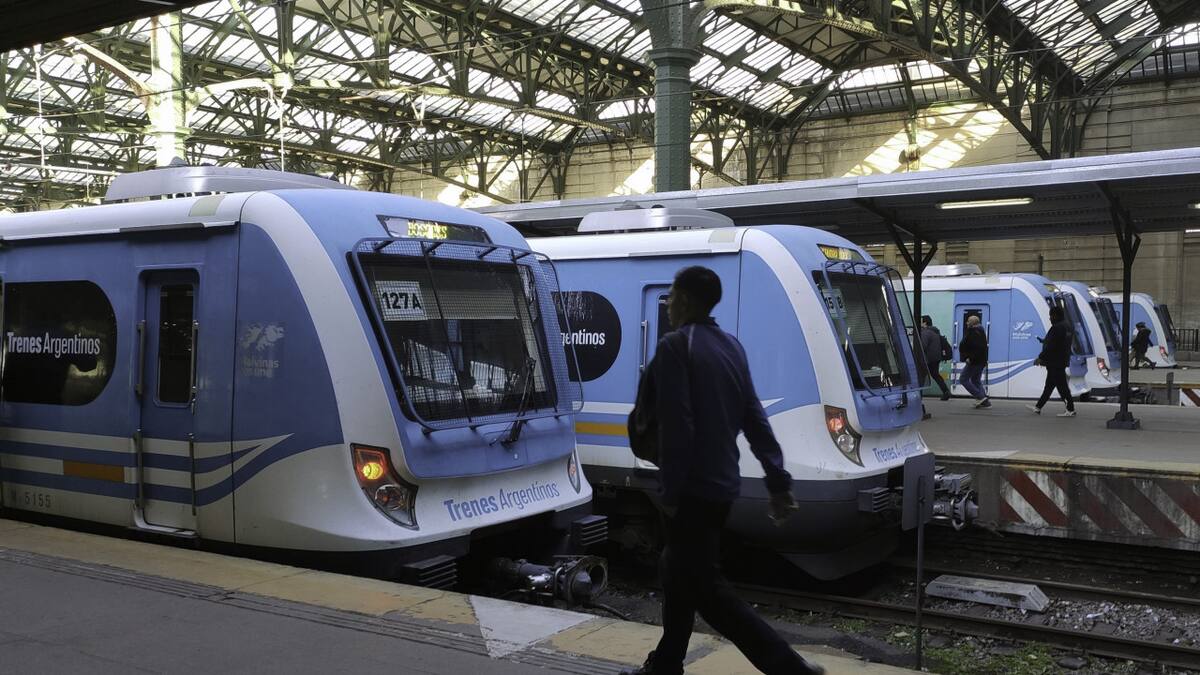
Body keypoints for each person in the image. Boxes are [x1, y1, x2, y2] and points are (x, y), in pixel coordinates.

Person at [622, 266, 823, 675]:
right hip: (722, 486)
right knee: (678, 573)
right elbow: (755, 417)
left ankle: (792, 670)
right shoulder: (732, 346)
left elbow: (679, 425)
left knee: (706, 591)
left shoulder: (677, 347)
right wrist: (777, 481)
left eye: (673, 295)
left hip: (692, 489)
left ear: (688, 301)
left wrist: (673, 493)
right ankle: (666, 664)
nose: (669, 304)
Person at [1027, 306, 1077, 417]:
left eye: (1051, 316)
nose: (1050, 318)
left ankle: (1070, 409)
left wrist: (1040, 357)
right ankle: (1038, 407)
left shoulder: (1057, 327)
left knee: (1062, 387)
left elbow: (1052, 345)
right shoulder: (1068, 326)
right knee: (1049, 386)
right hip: (1061, 360)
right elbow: (1060, 342)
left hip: (1055, 362)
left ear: (1055, 315)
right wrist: (1044, 341)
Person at [958, 314, 991, 408]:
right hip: (980, 361)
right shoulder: (980, 331)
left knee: (963, 379)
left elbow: (977, 348)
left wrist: (970, 357)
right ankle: (985, 402)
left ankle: (980, 397)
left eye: (968, 321)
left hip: (974, 361)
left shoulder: (974, 332)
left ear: (972, 323)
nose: (966, 322)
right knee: (975, 380)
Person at [919, 315, 952, 402]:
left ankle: (918, 395)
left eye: (920, 321)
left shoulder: (925, 332)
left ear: (925, 323)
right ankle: (946, 391)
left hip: (927, 358)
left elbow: (923, 345)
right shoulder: (935, 331)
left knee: (921, 375)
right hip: (936, 357)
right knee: (935, 375)